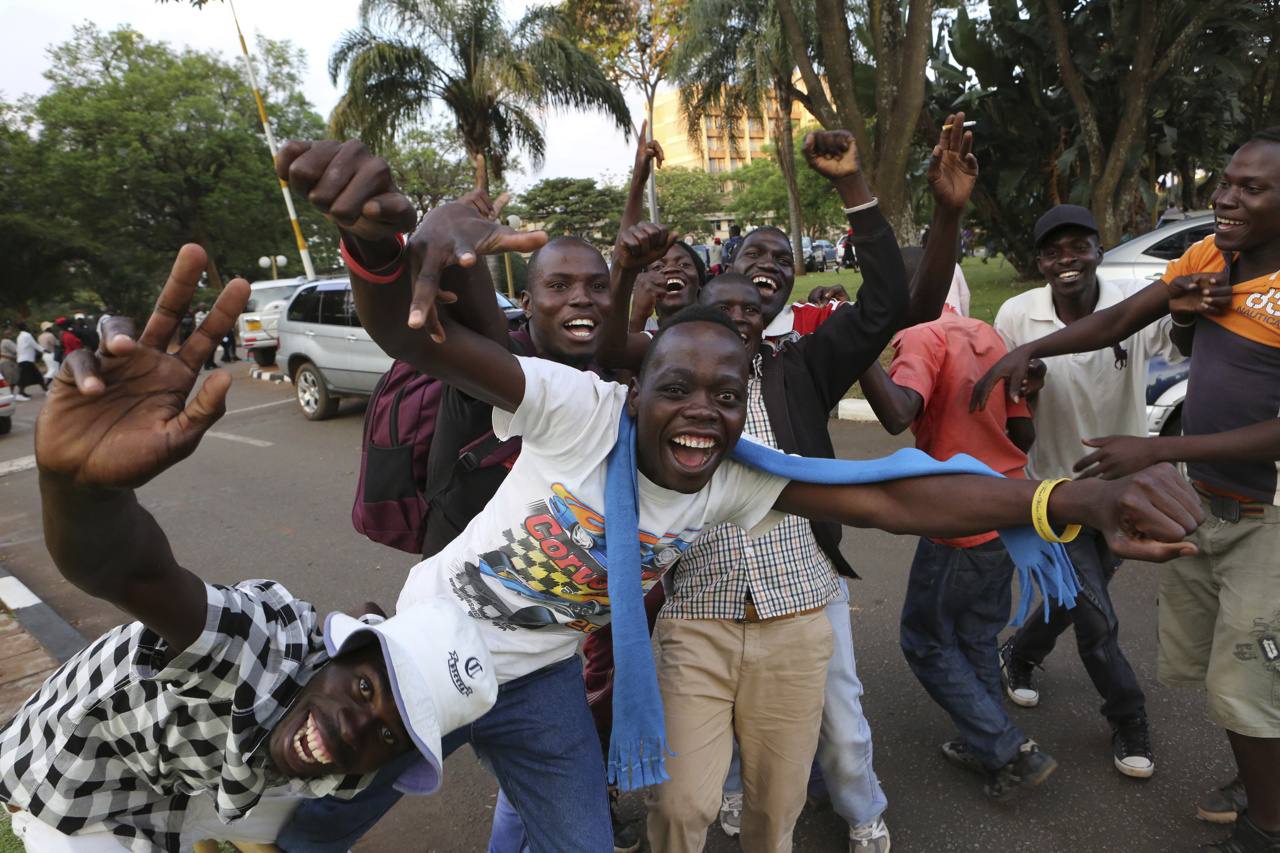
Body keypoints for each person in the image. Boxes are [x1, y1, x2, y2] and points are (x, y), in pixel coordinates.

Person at [273, 136, 1201, 853]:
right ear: (636, 388)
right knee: (334, 796)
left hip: (543, 679)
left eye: (726, 397)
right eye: (676, 388)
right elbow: (420, 341)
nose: (701, 414)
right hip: (434, 643)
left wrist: (1063, 504)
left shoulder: (733, 480)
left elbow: (891, 500)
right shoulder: (576, 408)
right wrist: (372, 241)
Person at [0, 246, 499, 852]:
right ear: (336, 654)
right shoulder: (254, 647)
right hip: (80, 782)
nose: (354, 730)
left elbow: (358, 733)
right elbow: (125, 569)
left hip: (199, 770)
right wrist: (78, 493)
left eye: (390, 736)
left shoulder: (352, 763)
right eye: (366, 689)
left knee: (281, 802)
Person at [970, 127, 1280, 853]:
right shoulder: (1213, 257)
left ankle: (1264, 829)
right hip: (1197, 502)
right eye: (1226, 181)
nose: (1226, 197)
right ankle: (1258, 786)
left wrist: (1156, 448)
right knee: (1224, 676)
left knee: (1246, 676)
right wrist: (1031, 347)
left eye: (1251, 188)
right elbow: (1121, 318)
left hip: (1265, 514)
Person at [989, 204, 1179, 781]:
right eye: (1052, 251)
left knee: (1073, 598)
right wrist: (1029, 390)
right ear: (1039, 262)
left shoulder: (1133, 302)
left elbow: (1183, 342)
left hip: (1121, 491)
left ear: (1099, 249)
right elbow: (1008, 412)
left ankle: (1019, 654)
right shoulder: (1017, 314)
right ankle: (1129, 717)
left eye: (1077, 246)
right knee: (1096, 619)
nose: (1065, 260)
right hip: (1054, 491)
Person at [859, 305, 1051, 799]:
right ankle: (987, 745)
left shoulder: (920, 336)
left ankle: (1008, 748)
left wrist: (858, 348)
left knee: (924, 640)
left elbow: (899, 412)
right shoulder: (986, 332)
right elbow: (1023, 433)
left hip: (956, 518)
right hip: (1005, 510)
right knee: (976, 637)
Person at [14, 321, 47, 399]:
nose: (28, 326)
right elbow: (34, 345)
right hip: (27, 360)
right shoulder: (27, 335)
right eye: (27, 325)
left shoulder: (19, 336)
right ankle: (20, 394)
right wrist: (44, 350)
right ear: (25, 327)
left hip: (22, 360)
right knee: (36, 376)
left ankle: (21, 393)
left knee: (28, 377)